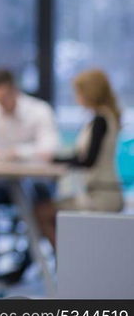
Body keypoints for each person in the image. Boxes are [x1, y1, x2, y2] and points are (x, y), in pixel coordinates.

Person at [0, 68, 59, 281]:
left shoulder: (38, 110)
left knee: (40, 207)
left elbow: (50, 148)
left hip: (34, 181)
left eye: (3, 98)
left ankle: (26, 264)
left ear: (13, 90)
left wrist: (16, 152)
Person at [35, 69, 124, 248]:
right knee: (44, 211)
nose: (76, 97)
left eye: (78, 92)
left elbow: (87, 160)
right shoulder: (103, 118)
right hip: (99, 191)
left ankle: (65, 260)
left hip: (100, 195)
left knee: (42, 212)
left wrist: (55, 160)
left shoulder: (101, 120)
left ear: (89, 92)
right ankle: (64, 260)